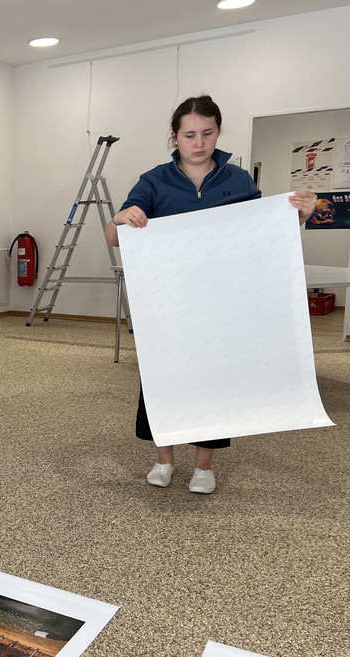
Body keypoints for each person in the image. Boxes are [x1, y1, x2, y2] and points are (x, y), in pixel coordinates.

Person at [104, 95, 317, 494]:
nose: (198, 143)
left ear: (218, 133)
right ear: (175, 137)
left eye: (207, 133)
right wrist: (119, 218)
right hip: (167, 298)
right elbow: (115, 238)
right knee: (162, 375)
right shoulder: (153, 180)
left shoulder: (237, 180)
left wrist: (299, 216)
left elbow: (263, 233)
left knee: (214, 376)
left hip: (223, 298)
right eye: (189, 135)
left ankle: (204, 466)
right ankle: (164, 460)